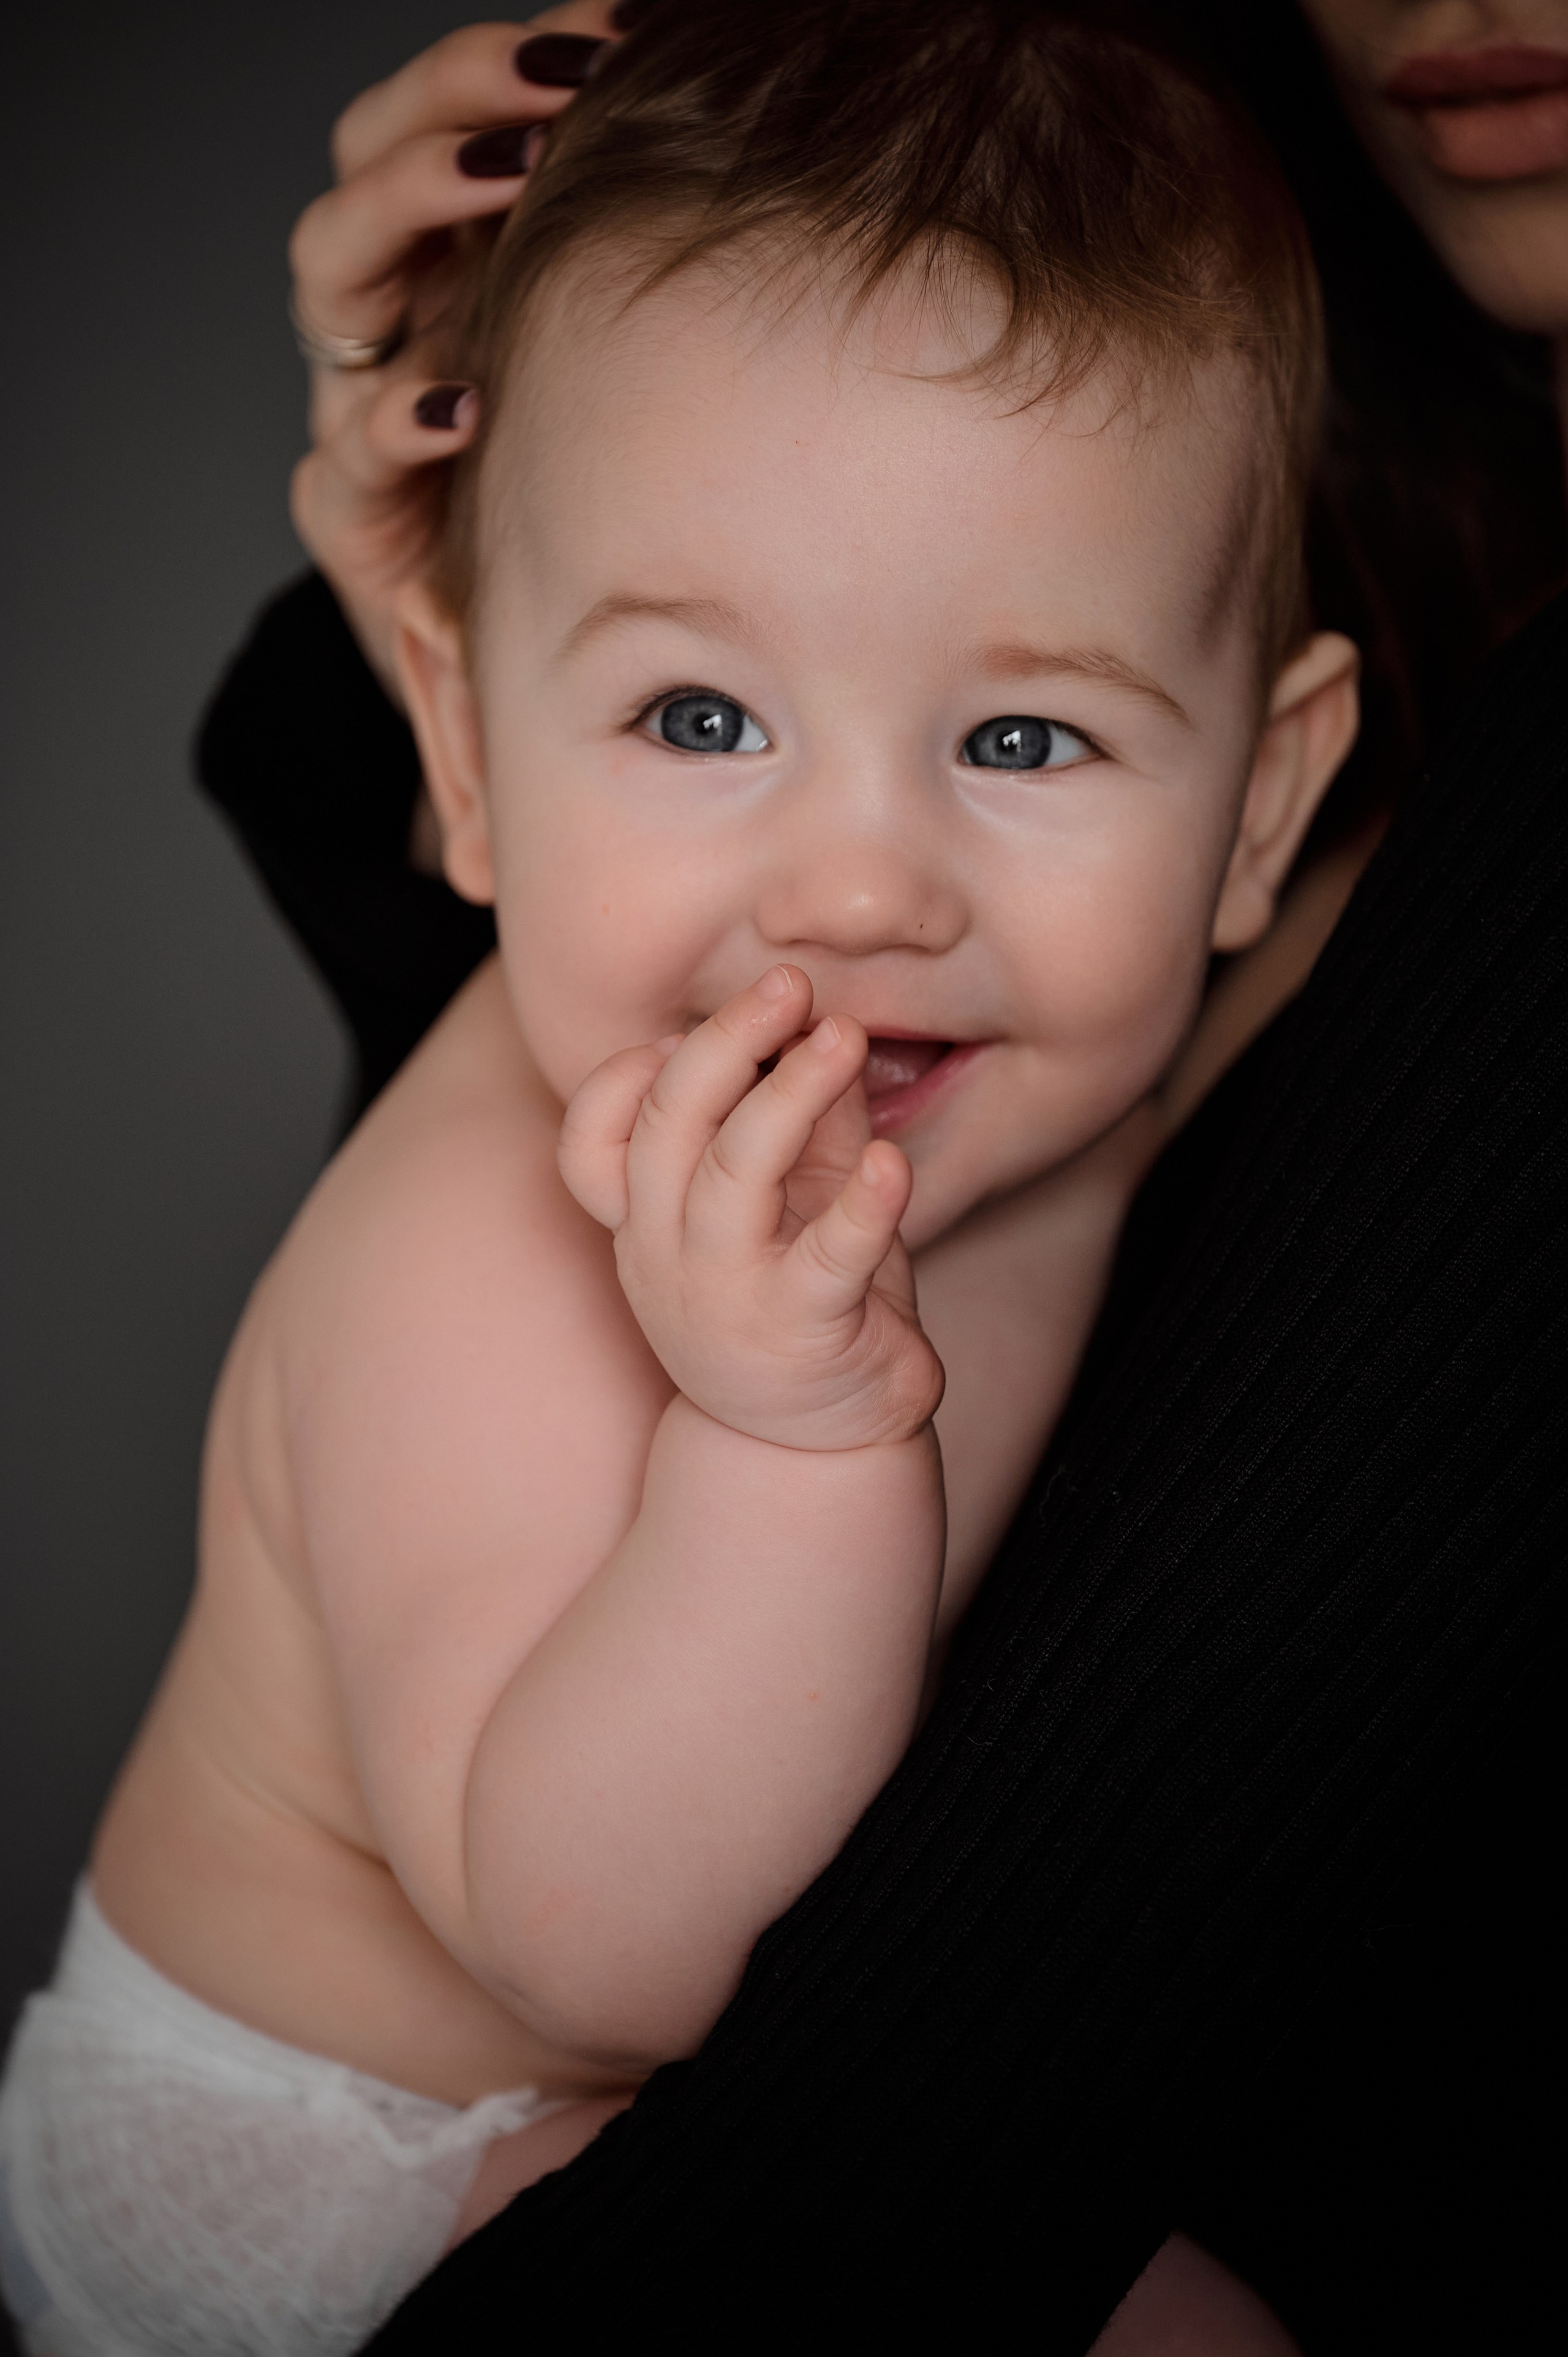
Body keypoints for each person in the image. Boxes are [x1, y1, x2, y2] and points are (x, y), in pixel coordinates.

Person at [0, 6, 1362, 2351]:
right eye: (701, 719)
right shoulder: (492, 1251)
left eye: (1023, 737)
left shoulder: (1084, 1054)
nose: (857, 886)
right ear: (464, 748)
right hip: (319, 2142)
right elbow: (615, 1958)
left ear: (1255, 807)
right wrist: (783, 1439)